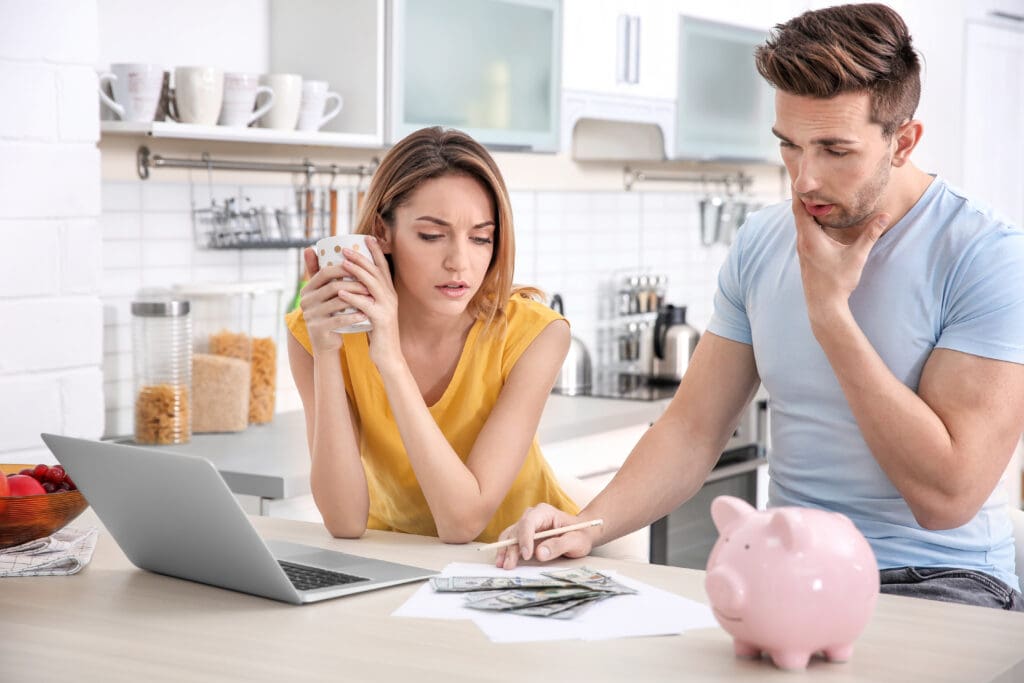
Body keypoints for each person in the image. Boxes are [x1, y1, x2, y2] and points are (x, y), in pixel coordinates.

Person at [498, 3, 1024, 611]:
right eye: (790, 146)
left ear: (903, 142)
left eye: (834, 149)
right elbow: (693, 430)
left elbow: (947, 498)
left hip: (936, 579)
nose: (803, 179)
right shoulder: (760, 241)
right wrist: (586, 525)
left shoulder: (985, 255)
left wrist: (830, 315)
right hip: (785, 570)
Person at [286, 126, 579, 543]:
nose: (459, 262)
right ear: (382, 233)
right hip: (403, 566)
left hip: (523, 565)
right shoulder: (314, 333)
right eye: (432, 236)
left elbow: (463, 523)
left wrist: (389, 357)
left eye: (481, 238)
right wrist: (328, 352)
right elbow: (344, 521)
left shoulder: (535, 335)